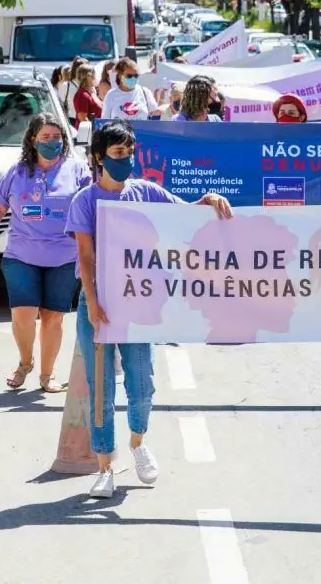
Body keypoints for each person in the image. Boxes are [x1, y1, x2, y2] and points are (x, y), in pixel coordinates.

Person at [65, 119, 233, 499]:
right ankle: (105, 466)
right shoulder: (85, 201)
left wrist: (208, 200)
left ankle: (138, 444)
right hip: (98, 304)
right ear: (99, 157)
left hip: (138, 305)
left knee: (141, 384)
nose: (126, 159)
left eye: (129, 152)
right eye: (118, 153)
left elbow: (185, 216)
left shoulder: (146, 191)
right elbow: (86, 257)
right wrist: (93, 303)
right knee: (100, 388)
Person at [0, 114, 92, 392]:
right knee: (23, 314)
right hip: (21, 256)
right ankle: (25, 362)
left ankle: (46, 375)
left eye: (57, 137)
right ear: (32, 140)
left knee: (53, 317)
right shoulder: (17, 172)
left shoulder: (77, 170)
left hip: (64, 258)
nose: (52, 142)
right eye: (45, 137)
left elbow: (91, 207)